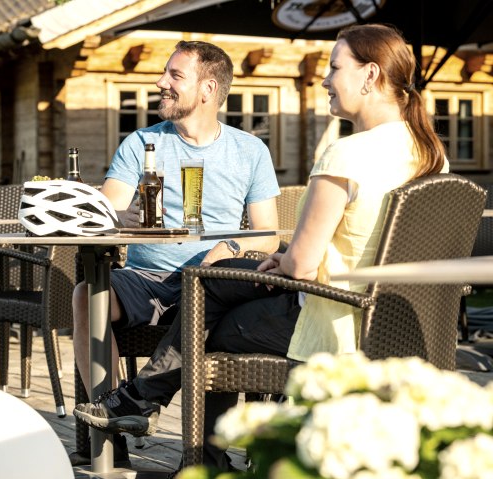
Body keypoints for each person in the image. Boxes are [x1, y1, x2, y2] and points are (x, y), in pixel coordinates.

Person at [74, 23, 449, 473]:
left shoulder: (345, 155)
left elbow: (303, 265)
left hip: (331, 320)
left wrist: (282, 256)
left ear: (369, 76)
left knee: (210, 318)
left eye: (333, 68)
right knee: (213, 294)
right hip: (398, 320)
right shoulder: (430, 153)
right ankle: (176, 431)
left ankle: (163, 422)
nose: (325, 79)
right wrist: (282, 257)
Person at [70, 40, 281, 466]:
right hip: (148, 279)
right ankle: (111, 430)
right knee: (84, 296)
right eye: (164, 73)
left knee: (220, 296)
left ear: (207, 89)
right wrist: (117, 217)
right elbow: (109, 205)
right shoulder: (142, 143)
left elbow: (269, 235)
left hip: (211, 284)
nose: (160, 82)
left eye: (174, 75)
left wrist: (230, 245)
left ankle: (195, 447)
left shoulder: (250, 150)